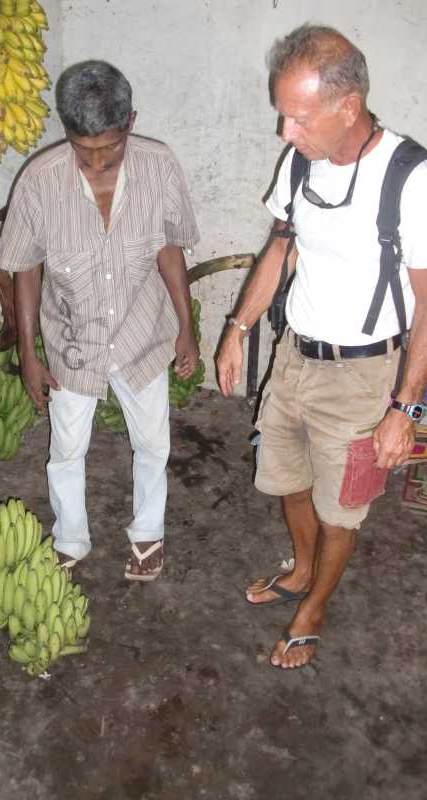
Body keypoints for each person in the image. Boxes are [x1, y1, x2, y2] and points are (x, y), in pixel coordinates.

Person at [216, 24, 427, 669]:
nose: (286, 132)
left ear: (349, 106)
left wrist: (405, 408)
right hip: (293, 358)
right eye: (284, 115)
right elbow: (281, 247)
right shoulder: (301, 162)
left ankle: (315, 606)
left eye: (299, 119)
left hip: (364, 377)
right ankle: (302, 567)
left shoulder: (410, 178)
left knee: (342, 511)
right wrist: (238, 328)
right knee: (287, 480)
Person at [0, 60, 199, 581]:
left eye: (111, 147)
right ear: (66, 131)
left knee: (152, 443)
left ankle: (148, 533)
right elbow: (25, 268)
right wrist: (28, 354)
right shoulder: (40, 180)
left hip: (141, 332)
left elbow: (170, 248)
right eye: (84, 151)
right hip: (72, 338)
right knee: (66, 449)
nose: (98, 162)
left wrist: (187, 327)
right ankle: (70, 538)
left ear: (131, 122)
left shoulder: (159, 165)